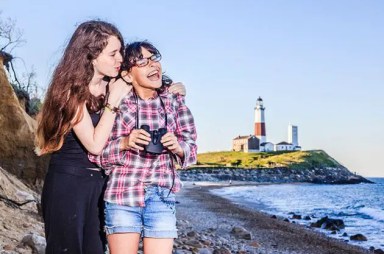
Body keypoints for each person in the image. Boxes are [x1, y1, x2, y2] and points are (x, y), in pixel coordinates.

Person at [35, 21, 186, 254]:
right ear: (90, 55)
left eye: (120, 53)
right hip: (68, 183)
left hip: (102, 185)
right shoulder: (70, 92)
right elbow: (95, 145)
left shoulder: (114, 83)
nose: (119, 59)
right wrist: (112, 102)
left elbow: (147, 85)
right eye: (113, 53)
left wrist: (174, 88)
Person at [89, 41, 197, 254]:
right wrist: (125, 143)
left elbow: (192, 152)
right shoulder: (116, 105)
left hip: (162, 195)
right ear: (128, 75)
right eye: (142, 62)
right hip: (122, 193)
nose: (153, 65)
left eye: (154, 58)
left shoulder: (175, 103)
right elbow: (97, 155)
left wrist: (178, 147)